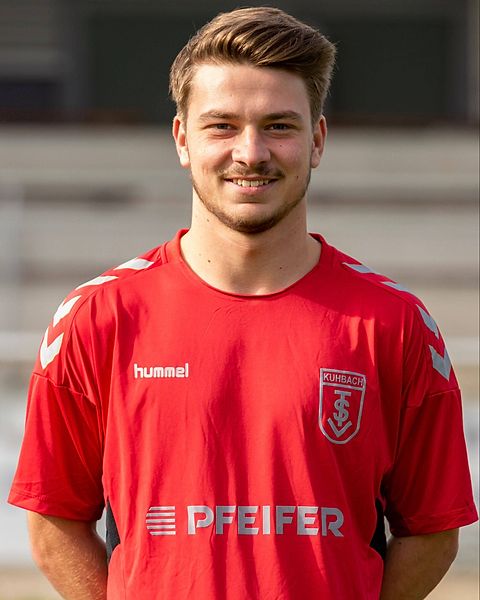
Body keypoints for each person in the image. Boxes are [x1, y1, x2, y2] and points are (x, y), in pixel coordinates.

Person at [8, 6, 477, 599]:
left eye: (279, 126)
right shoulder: (96, 318)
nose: (251, 153)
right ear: (182, 139)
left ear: (317, 140)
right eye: (222, 126)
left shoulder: (395, 324)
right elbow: (54, 521)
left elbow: (432, 530)